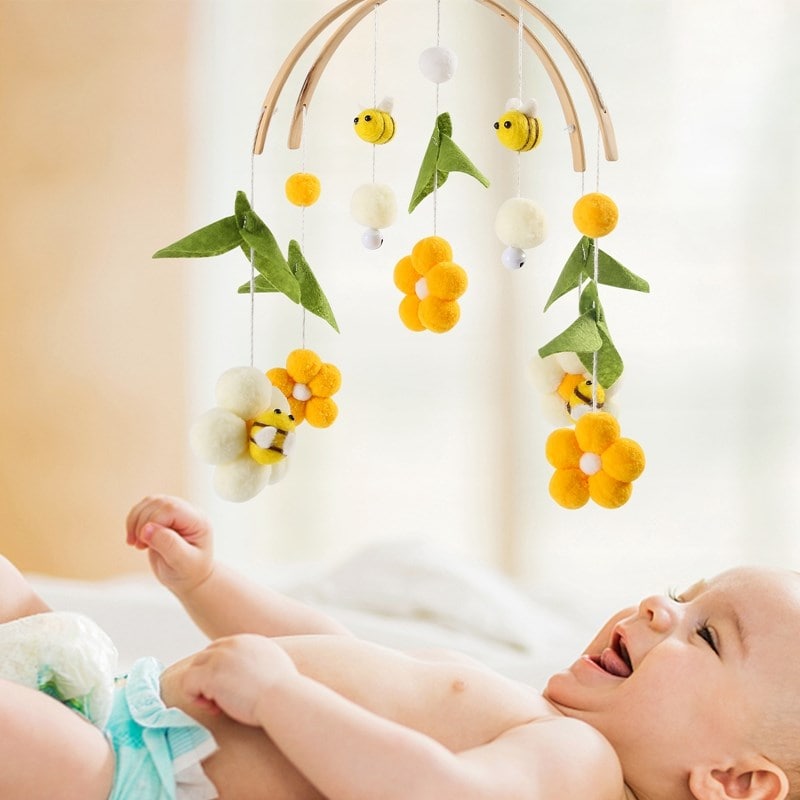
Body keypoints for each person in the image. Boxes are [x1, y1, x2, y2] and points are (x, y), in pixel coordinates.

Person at [2, 495, 799, 800]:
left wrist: (280, 697)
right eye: (686, 591)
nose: (662, 603)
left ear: (732, 782)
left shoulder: (583, 774)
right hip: (118, 701)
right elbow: (331, 647)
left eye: (707, 634)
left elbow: (432, 795)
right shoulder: (544, 724)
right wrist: (206, 582)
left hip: (128, 777)